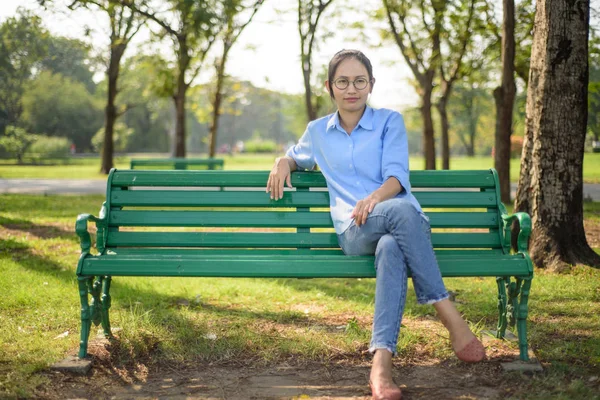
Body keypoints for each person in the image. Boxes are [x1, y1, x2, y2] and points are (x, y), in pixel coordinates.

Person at [266, 49, 485, 400]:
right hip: (354, 230)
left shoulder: (389, 121)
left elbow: (397, 175)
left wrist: (375, 197)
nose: (351, 88)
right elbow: (296, 155)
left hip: (392, 218)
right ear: (330, 86)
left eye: (359, 81)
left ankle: (381, 365)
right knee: (402, 214)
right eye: (343, 81)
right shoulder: (318, 131)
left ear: (371, 85)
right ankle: (448, 314)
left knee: (392, 244)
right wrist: (282, 161)